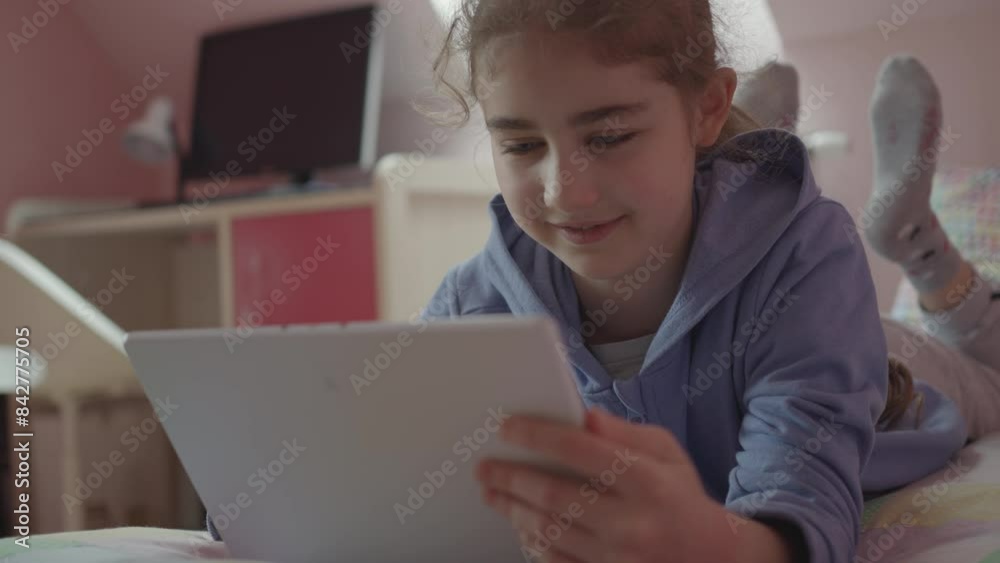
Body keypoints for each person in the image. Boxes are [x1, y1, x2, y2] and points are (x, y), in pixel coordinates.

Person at [414, 1, 1000, 562]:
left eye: (609, 137)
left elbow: (805, 495)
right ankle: (751, 157)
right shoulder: (470, 309)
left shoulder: (809, 255)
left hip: (892, 367)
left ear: (706, 107)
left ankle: (921, 246)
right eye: (520, 145)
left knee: (990, 373)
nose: (564, 192)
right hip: (785, 316)